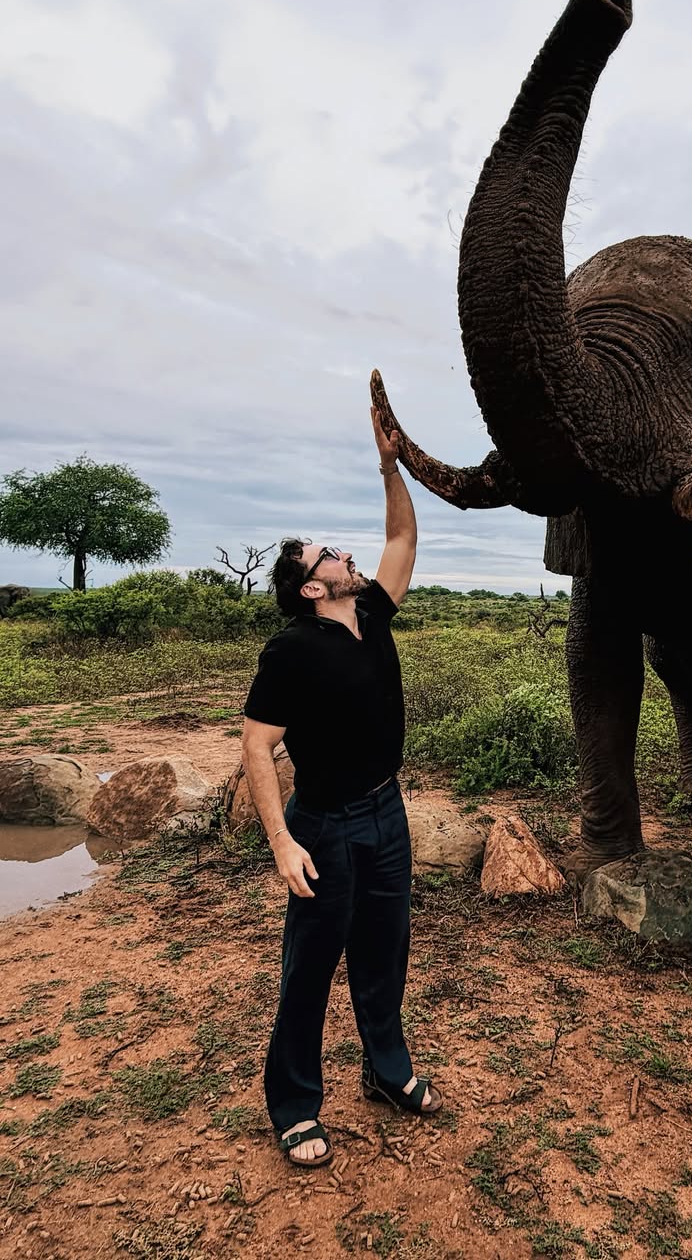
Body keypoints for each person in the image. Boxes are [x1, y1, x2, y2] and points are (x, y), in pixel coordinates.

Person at [241, 406, 441, 1169]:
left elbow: (402, 540)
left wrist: (389, 465)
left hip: (386, 813)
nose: (348, 554)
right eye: (331, 554)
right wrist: (282, 842)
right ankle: (293, 1104)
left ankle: (387, 1072)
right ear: (310, 588)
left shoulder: (374, 614)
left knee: (385, 954)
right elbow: (257, 745)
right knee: (310, 970)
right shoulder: (289, 652)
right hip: (324, 825)